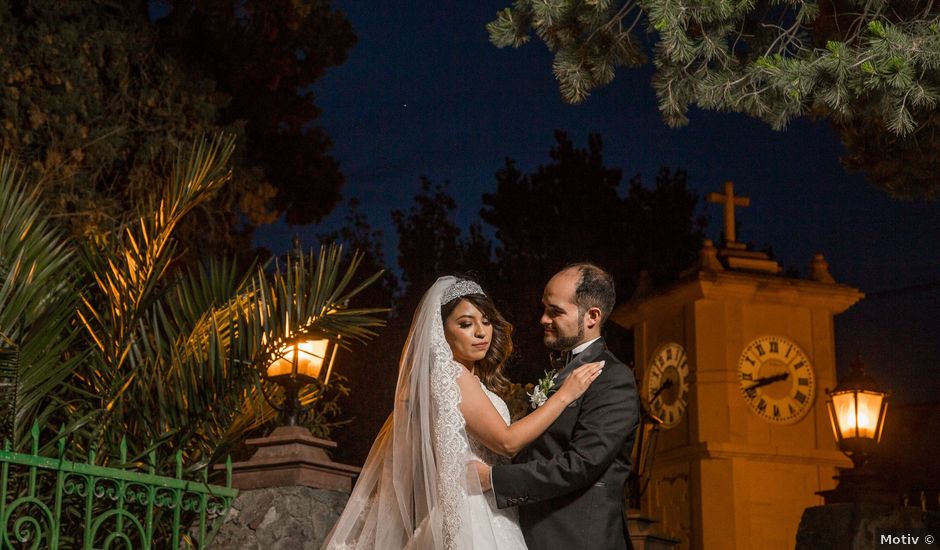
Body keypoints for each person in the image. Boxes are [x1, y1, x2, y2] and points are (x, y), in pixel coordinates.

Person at [321, 276, 604, 550]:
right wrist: (565, 394)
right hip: (472, 513)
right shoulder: (453, 376)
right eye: (466, 324)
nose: (481, 332)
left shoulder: (463, 378)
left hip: (486, 507)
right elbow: (507, 442)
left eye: (486, 321)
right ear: (441, 332)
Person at [475, 263, 640, 550]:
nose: (543, 319)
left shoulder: (613, 378)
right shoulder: (560, 372)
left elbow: (580, 465)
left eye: (555, 311)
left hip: (578, 539)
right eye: (544, 308)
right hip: (534, 533)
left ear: (591, 316)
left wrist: (494, 479)